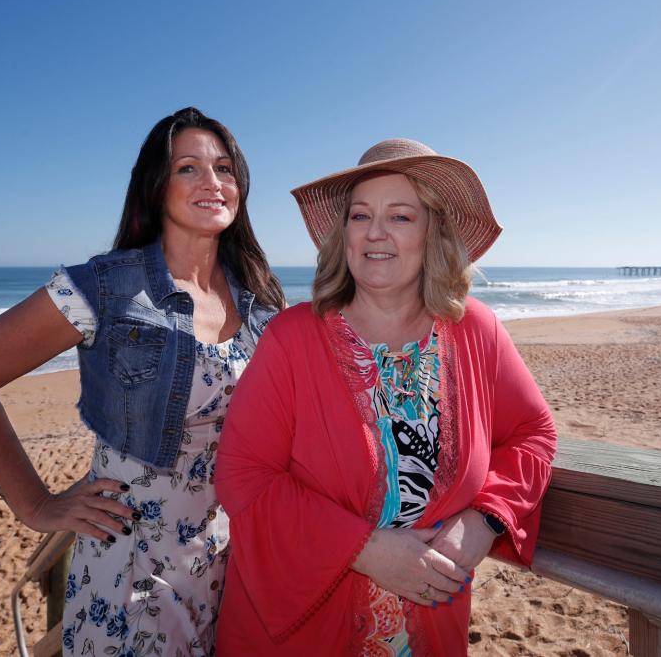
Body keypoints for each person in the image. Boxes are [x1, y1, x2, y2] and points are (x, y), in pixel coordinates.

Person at [0, 107, 285, 657]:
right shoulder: (104, 287)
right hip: (133, 570)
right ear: (156, 186)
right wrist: (36, 504)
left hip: (229, 559)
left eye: (224, 168)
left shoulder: (260, 299)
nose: (212, 183)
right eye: (187, 168)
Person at [214, 138, 557, 655]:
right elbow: (243, 475)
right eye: (360, 215)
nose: (375, 233)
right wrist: (364, 550)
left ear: (432, 232)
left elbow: (534, 435)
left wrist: (484, 521)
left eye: (400, 216)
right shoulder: (291, 338)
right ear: (343, 233)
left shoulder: (476, 331)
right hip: (300, 633)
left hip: (429, 630)